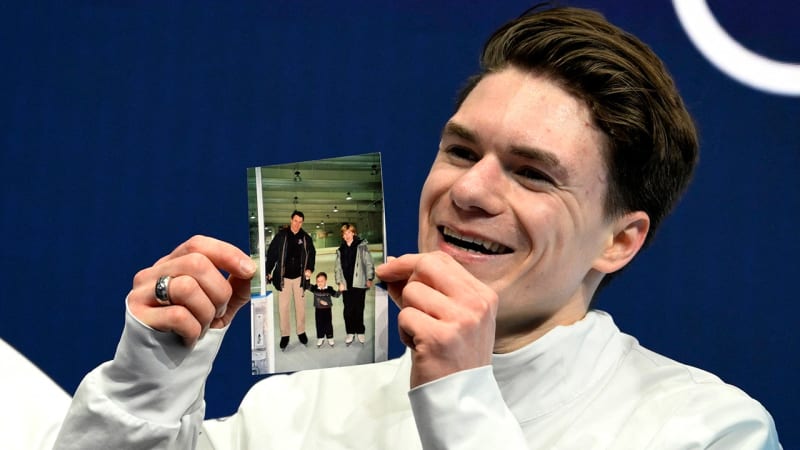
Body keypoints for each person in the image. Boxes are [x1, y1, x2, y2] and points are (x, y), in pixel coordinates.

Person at [53, 6, 781, 449]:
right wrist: (147, 377)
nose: (468, 190)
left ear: (620, 240)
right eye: (461, 151)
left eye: (532, 173)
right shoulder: (309, 393)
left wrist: (461, 398)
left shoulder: (707, 430)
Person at [264, 210, 316, 350]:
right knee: (283, 308)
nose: (297, 224)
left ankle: (301, 332)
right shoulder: (281, 236)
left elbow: (312, 254)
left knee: (301, 308)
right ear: (291, 220)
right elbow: (272, 254)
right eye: (295, 221)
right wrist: (268, 271)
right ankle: (285, 335)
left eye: (300, 222)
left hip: (300, 278)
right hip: (284, 278)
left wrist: (309, 268)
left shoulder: (305, 238)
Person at [334, 223, 375, 345]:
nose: (346, 235)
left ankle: (360, 331)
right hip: (346, 284)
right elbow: (337, 268)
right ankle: (350, 332)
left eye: (349, 232)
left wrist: (369, 278)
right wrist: (339, 282)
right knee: (348, 310)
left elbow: (369, 263)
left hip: (359, 282)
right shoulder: (340, 249)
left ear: (353, 233)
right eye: (344, 233)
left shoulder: (361, 247)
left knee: (358, 308)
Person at [308, 272, 340, 347]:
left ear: (326, 281)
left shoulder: (329, 289)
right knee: (319, 323)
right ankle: (320, 337)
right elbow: (307, 285)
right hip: (318, 310)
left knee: (328, 323)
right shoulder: (315, 288)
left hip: (327, 310)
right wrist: (307, 278)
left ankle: (330, 337)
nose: (320, 283)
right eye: (318, 281)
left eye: (322, 281)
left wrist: (340, 290)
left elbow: (336, 295)